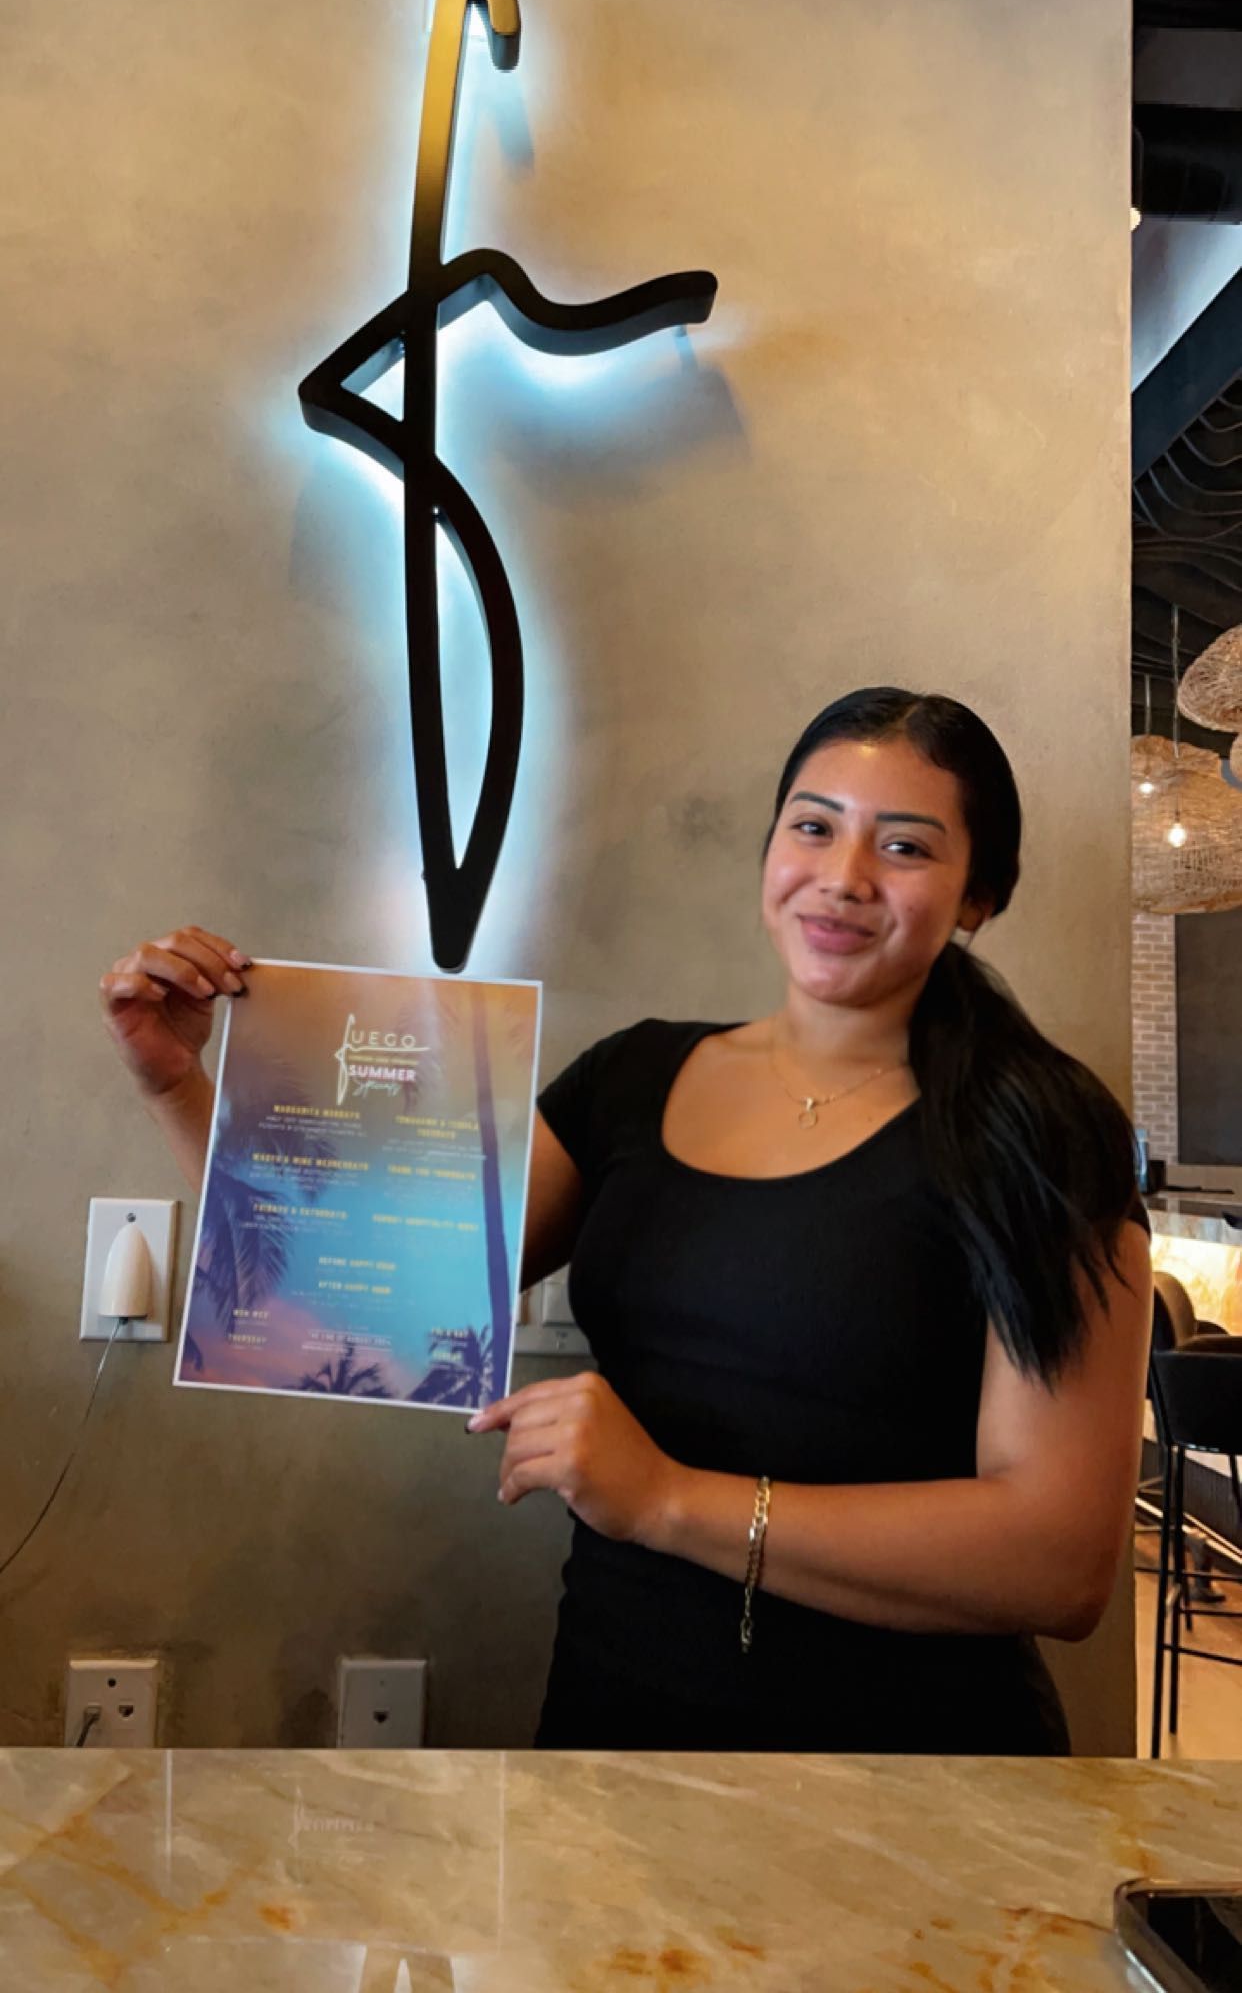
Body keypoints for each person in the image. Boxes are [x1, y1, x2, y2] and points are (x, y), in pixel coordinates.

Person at [101, 688, 1152, 1753]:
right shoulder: (632, 1078)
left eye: (906, 846)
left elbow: (1055, 1560)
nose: (843, 877)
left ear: (978, 895)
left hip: (923, 1780)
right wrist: (181, 1086)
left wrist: (666, 1501)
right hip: (617, 1739)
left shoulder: (1045, 1133)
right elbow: (355, 1287)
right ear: (771, 847)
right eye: (814, 824)